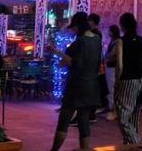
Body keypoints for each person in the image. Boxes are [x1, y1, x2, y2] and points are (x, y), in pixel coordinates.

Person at [48, 12, 101, 151]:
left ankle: (54, 150)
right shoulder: (97, 39)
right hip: (91, 85)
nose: (73, 30)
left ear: (78, 26)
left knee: (64, 119)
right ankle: (85, 149)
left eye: (74, 27)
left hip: (77, 85)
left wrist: (56, 52)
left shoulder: (80, 42)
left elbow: (74, 63)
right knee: (84, 121)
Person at [115, 12, 142, 145]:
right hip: (139, 78)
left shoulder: (120, 41)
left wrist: (117, 81)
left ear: (122, 25)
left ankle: (136, 142)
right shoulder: (141, 40)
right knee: (134, 114)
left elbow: (119, 65)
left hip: (126, 79)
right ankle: (130, 144)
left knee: (122, 115)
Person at [88, 13, 109, 115]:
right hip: (97, 61)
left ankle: (93, 108)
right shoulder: (98, 33)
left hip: (93, 62)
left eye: (89, 20)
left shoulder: (93, 33)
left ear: (92, 21)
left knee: (94, 85)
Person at [104, 25, 121, 121]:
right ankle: (112, 108)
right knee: (111, 87)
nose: (108, 32)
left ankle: (112, 109)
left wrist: (107, 57)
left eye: (109, 30)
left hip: (112, 67)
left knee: (111, 88)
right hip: (111, 67)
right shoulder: (113, 41)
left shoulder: (116, 42)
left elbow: (112, 55)